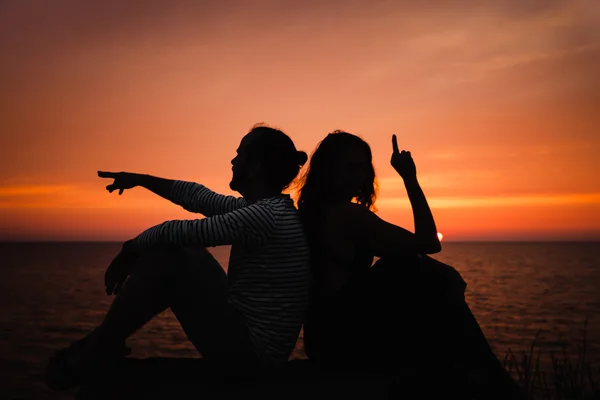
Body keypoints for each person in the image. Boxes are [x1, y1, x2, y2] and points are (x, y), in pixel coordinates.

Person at [45, 124, 311, 391]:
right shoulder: (265, 210)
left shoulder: (266, 216)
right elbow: (197, 196)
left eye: (239, 154)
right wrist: (140, 179)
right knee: (180, 251)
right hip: (247, 342)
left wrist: (131, 248)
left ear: (254, 168)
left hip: (251, 360)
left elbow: (184, 231)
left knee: (171, 254)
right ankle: (102, 344)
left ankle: (99, 348)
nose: (233, 160)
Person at [296, 131, 526, 399]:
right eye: (349, 167)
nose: (357, 175)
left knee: (414, 271)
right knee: (411, 268)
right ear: (328, 169)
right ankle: (493, 380)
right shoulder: (347, 216)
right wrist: (409, 178)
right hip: (342, 338)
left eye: (363, 167)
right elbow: (429, 242)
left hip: (322, 338)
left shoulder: (312, 212)